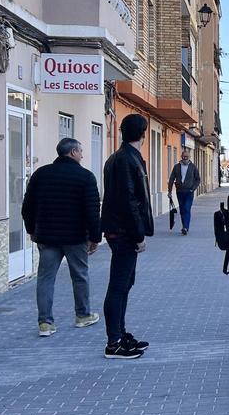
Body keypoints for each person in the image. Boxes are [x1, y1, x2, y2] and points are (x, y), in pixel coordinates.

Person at [21, 137, 101, 337]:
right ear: (73, 152)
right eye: (81, 151)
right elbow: (92, 210)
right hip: (76, 237)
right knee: (80, 276)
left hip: (47, 236)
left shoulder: (41, 175)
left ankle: (45, 323)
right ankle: (83, 315)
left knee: (46, 278)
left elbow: (27, 206)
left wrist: (32, 229)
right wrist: (95, 237)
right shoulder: (85, 177)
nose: (82, 155)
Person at [99, 114, 154, 359]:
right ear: (143, 134)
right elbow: (129, 201)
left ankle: (120, 333)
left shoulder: (121, 158)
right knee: (119, 285)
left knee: (125, 283)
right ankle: (114, 342)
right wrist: (138, 234)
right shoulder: (126, 160)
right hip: (122, 231)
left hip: (119, 229)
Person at [167, 149, 201, 235]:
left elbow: (198, 179)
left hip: (189, 192)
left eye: (186, 157)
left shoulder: (193, 167)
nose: (185, 158)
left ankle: (186, 227)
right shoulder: (176, 167)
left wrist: (193, 188)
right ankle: (184, 226)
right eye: (183, 157)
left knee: (186, 208)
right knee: (182, 210)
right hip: (180, 191)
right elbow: (171, 179)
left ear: (189, 157)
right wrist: (169, 191)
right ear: (181, 157)